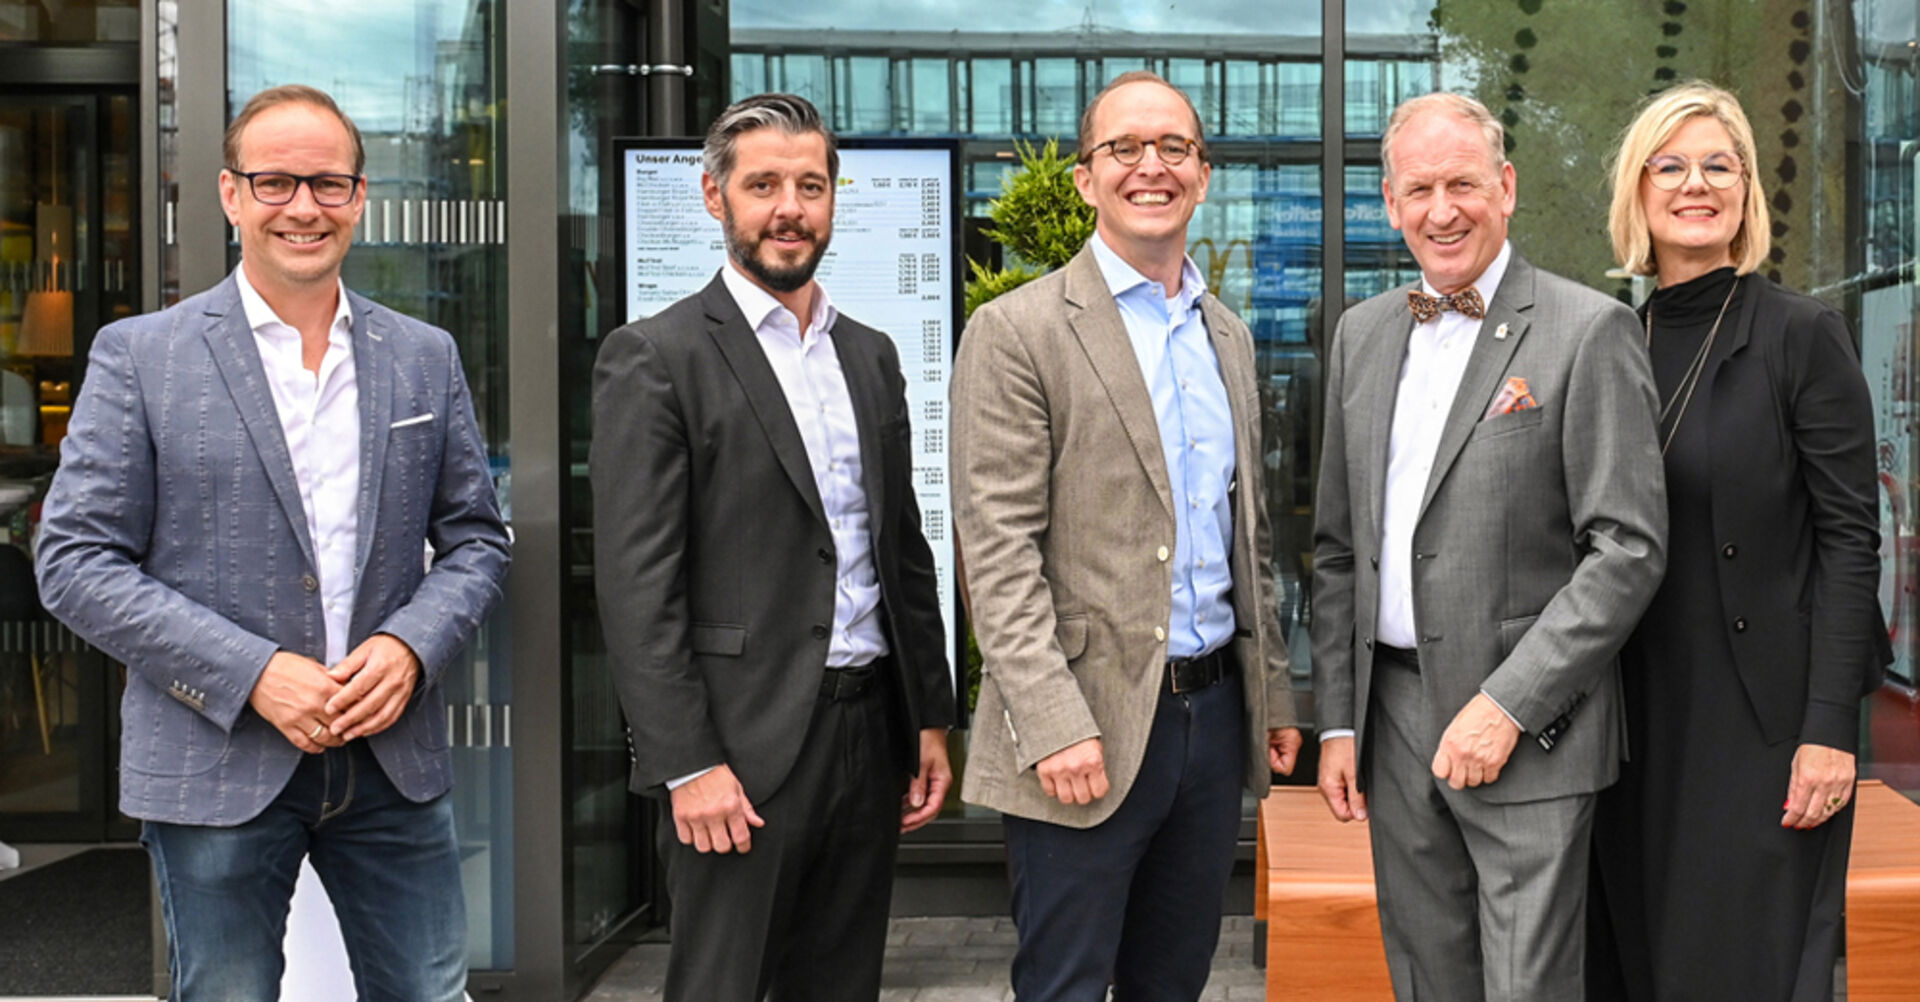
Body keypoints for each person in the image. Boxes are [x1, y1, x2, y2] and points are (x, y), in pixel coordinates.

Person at [34, 84, 511, 1001]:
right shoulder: (141, 356)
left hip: (391, 759)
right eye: (275, 182)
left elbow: (476, 542)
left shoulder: (424, 355)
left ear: (359, 198)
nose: (304, 206)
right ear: (230, 194)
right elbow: (75, 562)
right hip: (214, 758)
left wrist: (410, 648)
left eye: (328, 183)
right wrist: (253, 673)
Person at [591, 92, 955, 1002]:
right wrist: (687, 763)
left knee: (841, 985)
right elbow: (638, 588)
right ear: (715, 196)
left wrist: (929, 717)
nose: (789, 208)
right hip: (737, 751)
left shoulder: (869, 355)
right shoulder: (656, 356)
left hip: (868, 734)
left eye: (810, 186)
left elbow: (901, 549)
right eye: (763, 186)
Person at [951, 70, 1304, 1002]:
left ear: (1204, 174)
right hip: (1084, 727)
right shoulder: (1016, 332)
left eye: (1174, 147)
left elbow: (1247, 536)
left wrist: (1271, 695)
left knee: (1173, 981)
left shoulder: (1227, 335)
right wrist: (1053, 724)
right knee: (1065, 985)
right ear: (1085, 178)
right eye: (1124, 148)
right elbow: (997, 551)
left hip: (1210, 723)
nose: (1152, 166)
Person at [1310, 91, 1667, 1001]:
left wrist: (1507, 705)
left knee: (1526, 990)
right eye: (1419, 189)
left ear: (1505, 187)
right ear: (1390, 204)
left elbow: (1627, 548)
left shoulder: (1589, 329)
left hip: (1533, 732)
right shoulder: (1361, 334)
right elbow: (1340, 548)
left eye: (1463, 184)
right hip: (1393, 721)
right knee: (1427, 981)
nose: (1442, 210)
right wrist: (1340, 722)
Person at [1587, 81, 1890, 1002]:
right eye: (1671, 166)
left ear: (1747, 191)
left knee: (1743, 969)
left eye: (1721, 166)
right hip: (1628, 728)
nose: (1697, 184)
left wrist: (1829, 731)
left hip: (1763, 732)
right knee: (1633, 964)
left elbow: (1851, 542)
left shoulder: (1803, 335)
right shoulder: (1607, 339)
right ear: (1638, 192)